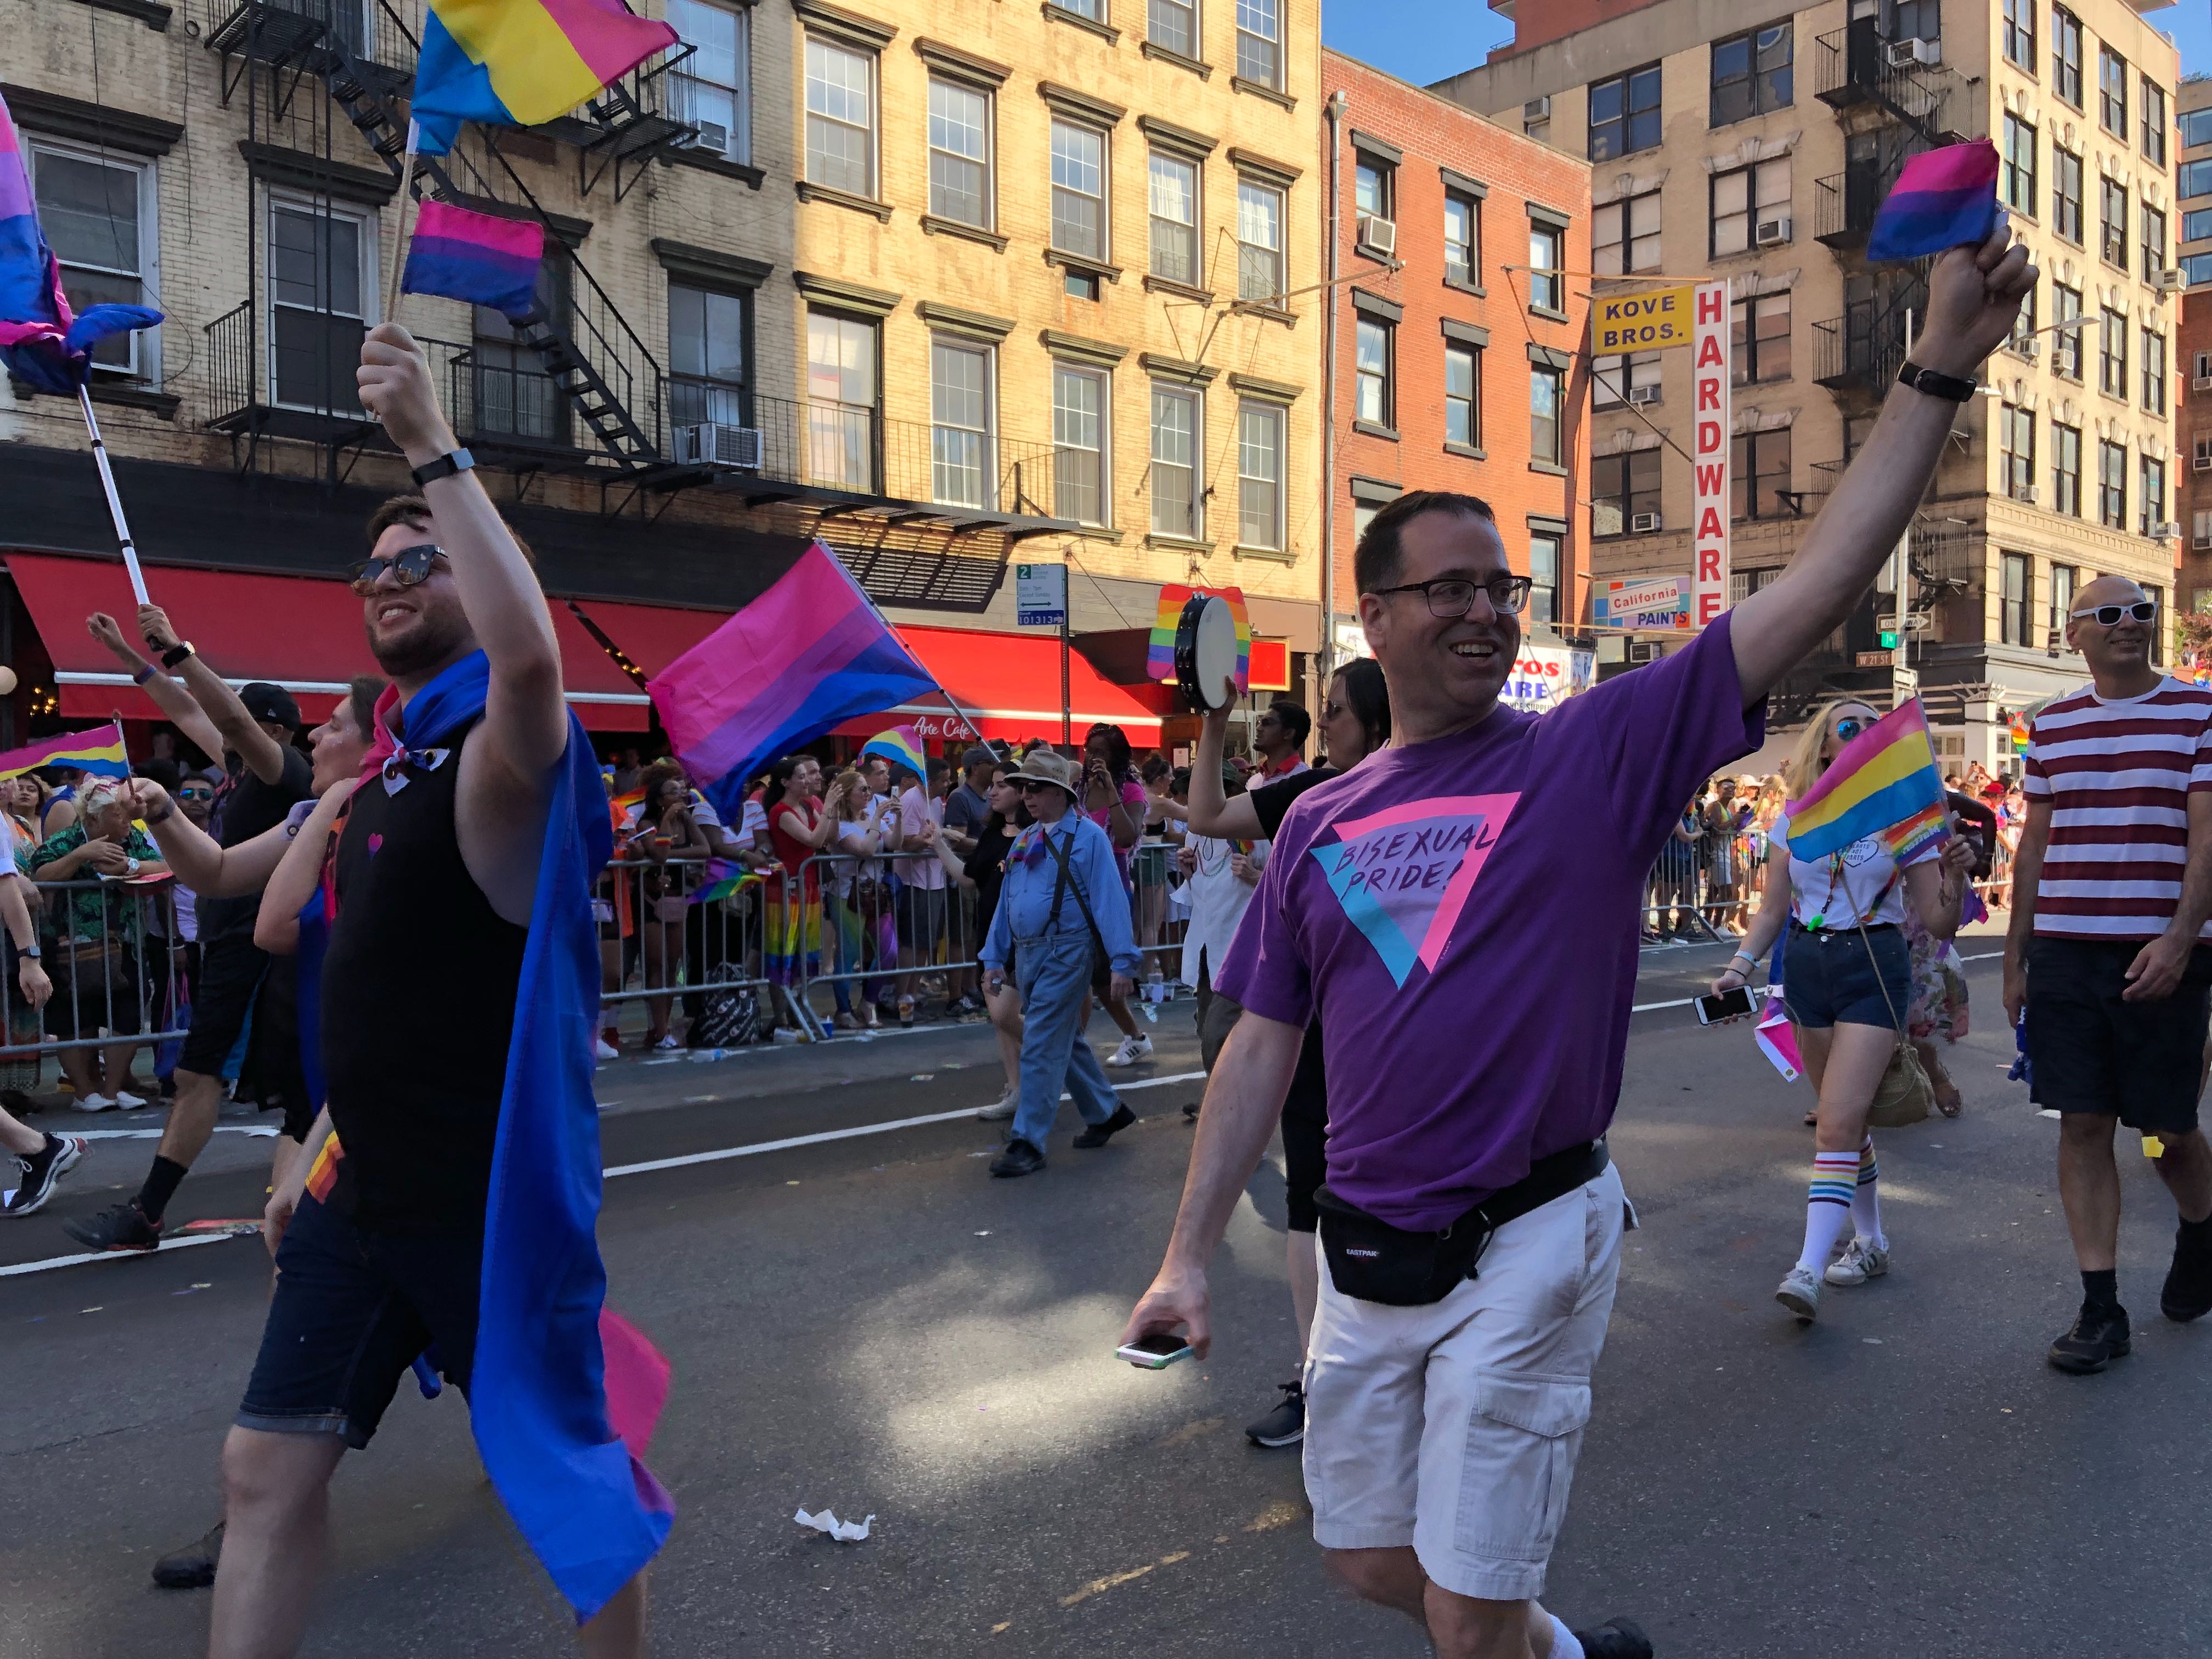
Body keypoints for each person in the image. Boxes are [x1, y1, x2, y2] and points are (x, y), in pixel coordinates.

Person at [1119, 230, 2030, 1659]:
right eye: (1451, 589)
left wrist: (1934, 367)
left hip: (1533, 1237)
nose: (1489, 607)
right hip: (1367, 1257)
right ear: (1377, 617)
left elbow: (1812, 595)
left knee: (1467, 1615)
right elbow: (1259, 1052)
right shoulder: (1315, 824)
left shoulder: (1595, 752)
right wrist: (1183, 1255)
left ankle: (1518, 1643)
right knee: (1365, 1557)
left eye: (1503, 585)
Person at [211, 324, 657, 1656]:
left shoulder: (496, 761)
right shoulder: (379, 774)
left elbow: (533, 670)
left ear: (482, 581)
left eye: (427, 560)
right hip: (362, 1190)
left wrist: (430, 443)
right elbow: (370, 991)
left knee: (571, 1485)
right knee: (262, 1473)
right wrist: (316, 1148)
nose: (391, 579)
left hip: (491, 1207)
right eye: (378, 568)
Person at [2003, 576, 2212, 1375]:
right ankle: (2101, 1308)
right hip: (2065, 953)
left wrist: (2181, 939)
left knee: (2165, 1132)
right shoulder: (2050, 727)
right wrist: (2017, 957)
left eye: (2143, 613)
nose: (2132, 625)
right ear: (2075, 634)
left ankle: (2201, 1226)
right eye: (2111, 615)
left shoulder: (2198, 713)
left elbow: (2207, 839)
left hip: (2161, 955)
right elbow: (2033, 847)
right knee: (2082, 1122)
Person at [1182, 656, 1392, 1450]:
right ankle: (1320, 1382)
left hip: (1390, 1038)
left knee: (1381, 1199)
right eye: (1324, 707)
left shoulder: (1423, 793)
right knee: (1309, 1197)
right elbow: (1205, 815)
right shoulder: (1306, 795)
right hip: (1313, 1033)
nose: (1324, 719)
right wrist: (1211, 720)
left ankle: (1392, 1379)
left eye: (1337, 709)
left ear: (1377, 722)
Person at [1709, 699, 1971, 1321]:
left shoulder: (1905, 820)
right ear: (1824, 745)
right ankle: (1874, 1240)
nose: (1861, 734)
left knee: (1834, 1125)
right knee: (1845, 1124)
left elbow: (1937, 921)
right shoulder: (1794, 820)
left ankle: (1807, 1269)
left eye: (1871, 726)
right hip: (1806, 965)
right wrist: (1736, 969)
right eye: (1847, 726)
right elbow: (1772, 910)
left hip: (1873, 966)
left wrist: (1956, 877)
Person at [67, 610, 313, 1252]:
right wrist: (128, 651)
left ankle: (147, 1213)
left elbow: (226, 718)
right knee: (288, 1086)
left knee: (207, 1074)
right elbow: (186, 711)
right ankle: (314, 1205)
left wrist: (178, 648)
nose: (226, 733)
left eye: (245, 721)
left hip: (253, 944)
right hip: (232, 936)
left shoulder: (281, 769)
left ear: (277, 729)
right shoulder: (239, 765)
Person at [979, 749, 1142, 1178]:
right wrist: (994, 956)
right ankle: (1106, 1111)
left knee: (1042, 1041)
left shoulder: (1090, 838)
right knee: (1062, 1040)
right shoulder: (1025, 839)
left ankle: (1027, 1141)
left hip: (1069, 951)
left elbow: (1111, 900)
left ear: (1061, 793)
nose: (1026, 796)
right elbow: (1006, 905)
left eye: (1035, 787)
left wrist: (1124, 960)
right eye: (1023, 787)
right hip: (1030, 955)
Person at [30, 780, 170, 1109]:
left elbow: (166, 867)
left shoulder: (133, 839)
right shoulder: (67, 840)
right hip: (72, 947)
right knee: (76, 1019)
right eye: (118, 815)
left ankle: (113, 1089)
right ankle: (84, 1092)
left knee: (128, 1016)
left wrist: (129, 867)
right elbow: (38, 874)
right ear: (93, 819)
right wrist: (80, 856)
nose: (127, 821)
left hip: (127, 943)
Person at [921, 760, 1030, 1118]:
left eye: (1002, 785)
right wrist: (938, 843)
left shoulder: (1038, 836)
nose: (993, 791)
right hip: (991, 936)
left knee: (1006, 1015)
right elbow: (968, 878)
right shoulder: (992, 835)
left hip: (1028, 937)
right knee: (1000, 1018)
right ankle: (1017, 1088)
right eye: (993, 785)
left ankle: (1057, 1057)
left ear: (1022, 792)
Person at [1081, 723, 1152, 1067]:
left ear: (1116, 757)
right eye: (1090, 750)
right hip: (1078, 886)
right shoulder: (1078, 789)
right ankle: (1076, 1045)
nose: (1093, 757)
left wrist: (1112, 792)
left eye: (1101, 752)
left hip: (1112, 885)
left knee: (1102, 980)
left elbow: (1126, 838)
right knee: (1085, 973)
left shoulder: (1130, 791)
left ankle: (1135, 1038)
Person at [763, 754, 842, 1037]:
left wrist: (833, 809)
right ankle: (781, 1016)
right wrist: (829, 806)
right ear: (785, 782)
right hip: (784, 889)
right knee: (782, 951)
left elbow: (831, 836)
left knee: (807, 954)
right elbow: (814, 841)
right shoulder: (781, 811)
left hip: (809, 886)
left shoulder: (809, 805)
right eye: (801, 776)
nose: (808, 780)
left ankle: (798, 1007)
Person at [823, 768, 888, 1031]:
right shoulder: (841, 824)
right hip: (846, 894)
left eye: (869, 789)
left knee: (890, 949)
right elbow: (866, 850)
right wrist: (878, 820)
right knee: (848, 954)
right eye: (863, 789)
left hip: (875, 894)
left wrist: (898, 815)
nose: (869, 794)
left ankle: (869, 1002)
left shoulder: (872, 816)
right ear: (848, 795)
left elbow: (896, 843)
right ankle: (843, 1009)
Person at [1254, 698, 1312, 781]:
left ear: (1288, 733)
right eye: (1259, 723)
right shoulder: (1254, 781)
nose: (1258, 728)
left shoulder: (1305, 780)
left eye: (1267, 723)